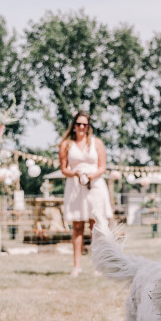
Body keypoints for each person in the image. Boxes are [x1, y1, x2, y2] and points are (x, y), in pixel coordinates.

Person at [59, 111, 110, 277]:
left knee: (95, 226)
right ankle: (77, 266)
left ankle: (97, 266)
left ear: (88, 126)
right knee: (77, 227)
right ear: (74, 125)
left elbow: (102, 167)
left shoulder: (97, 143)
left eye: (85, 124)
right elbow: (63, 169)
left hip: (94, 185)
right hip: (75, 186)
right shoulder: (66, 144)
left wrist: (92, 175)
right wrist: (75, 173)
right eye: (79, 124)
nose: (81, 127)